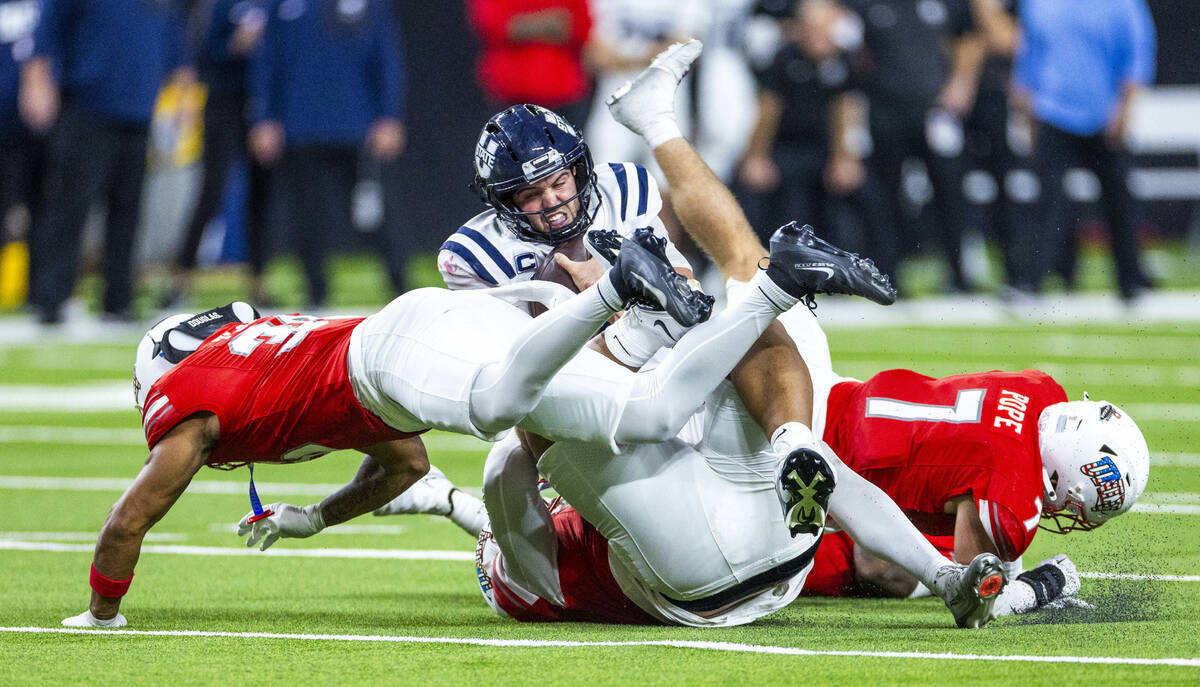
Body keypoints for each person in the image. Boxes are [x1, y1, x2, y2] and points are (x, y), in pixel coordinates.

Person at [384, 40, 1007, 630]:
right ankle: (786, 370)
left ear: (580, 170)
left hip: (662, 380)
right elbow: (523, 382)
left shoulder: (624, 190)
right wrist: (605, 300)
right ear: (503, 203)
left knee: (734, 321)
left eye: (560, 183)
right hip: (590, 385)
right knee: (538, 427)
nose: (554, 204)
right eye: (531, 195)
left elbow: (683, 298)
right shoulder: (473, 257)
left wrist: (629, 300)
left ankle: (795, 443)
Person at [19, 0, 192, 324]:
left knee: (128, 212)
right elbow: (45, 32)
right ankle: (51, 299)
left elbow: (175, 47)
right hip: (86, 108)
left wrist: (183, 98)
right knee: (70, 207)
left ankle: (119, 300)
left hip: (139, 113)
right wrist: (36, 82)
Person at [248, 0, 408, 307]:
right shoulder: (281, 5)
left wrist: (389, 116)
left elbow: (385, 56)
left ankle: (402, 287)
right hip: (300, 126)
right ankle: (316, 292)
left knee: (375, 212)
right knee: (307, 216)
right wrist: (265, 118)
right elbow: (267, 59)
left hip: (357, 126)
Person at [1005, 0, 1157, 301]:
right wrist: (1026, 109)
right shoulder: (1038, 4)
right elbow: (1031, 55)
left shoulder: (1122, 4)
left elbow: (1138, 51)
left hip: (1104, 112)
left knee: (1118, 199)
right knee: (1046, 200)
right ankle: (1032, 280)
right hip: (1052, 111)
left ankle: (1131, 280)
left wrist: (1125, 108)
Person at [840, 0, 985, 293]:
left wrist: (961, 82)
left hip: (936, 111)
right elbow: (847, 42)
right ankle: (888, 275)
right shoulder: (862, 6)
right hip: (884, 110)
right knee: (886, 197)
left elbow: (969, 37)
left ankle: (960, 274)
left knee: (951, 194)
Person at [164, 0, 273, 308]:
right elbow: (203, 51)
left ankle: (258, 283)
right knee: (211, 191)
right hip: (224, 102)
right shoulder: (220, 4)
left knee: (261, 195)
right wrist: (234, 45)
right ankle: (180, 278)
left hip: (262, 106)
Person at [466, 0, 593, 127]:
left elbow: (581, 26)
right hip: (509, 96)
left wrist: (523, 25)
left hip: (563, 95)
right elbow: (492, 24)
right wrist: (547, 24)